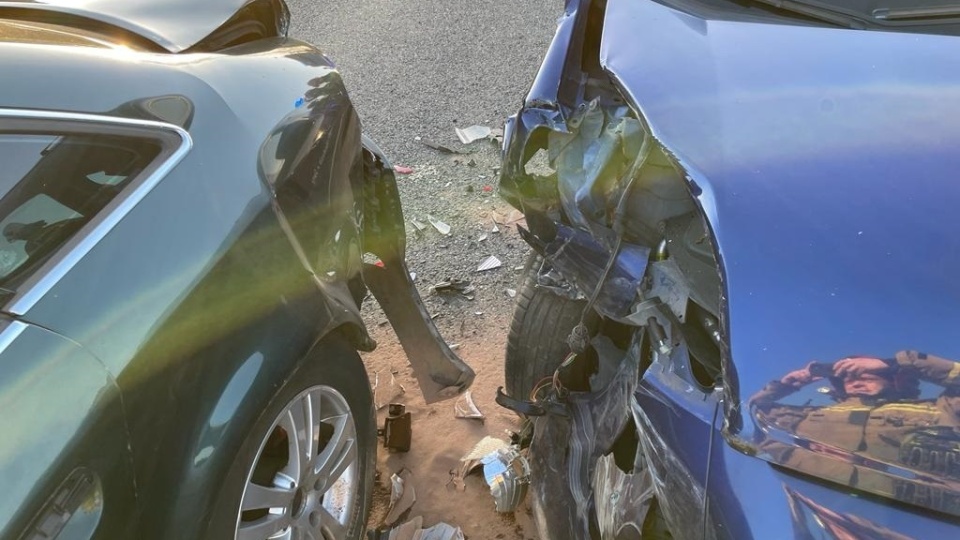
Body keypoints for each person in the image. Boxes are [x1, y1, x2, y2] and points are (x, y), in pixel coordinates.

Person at [749, 351, 960, 514]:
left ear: (893, 379)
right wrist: (785, 386)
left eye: (865, 374)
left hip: (912, 514)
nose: (856, 380)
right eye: (847, 377)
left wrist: (896, 362)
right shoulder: (810, 416)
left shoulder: (937, 410)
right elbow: (752, 416)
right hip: (819, 509)